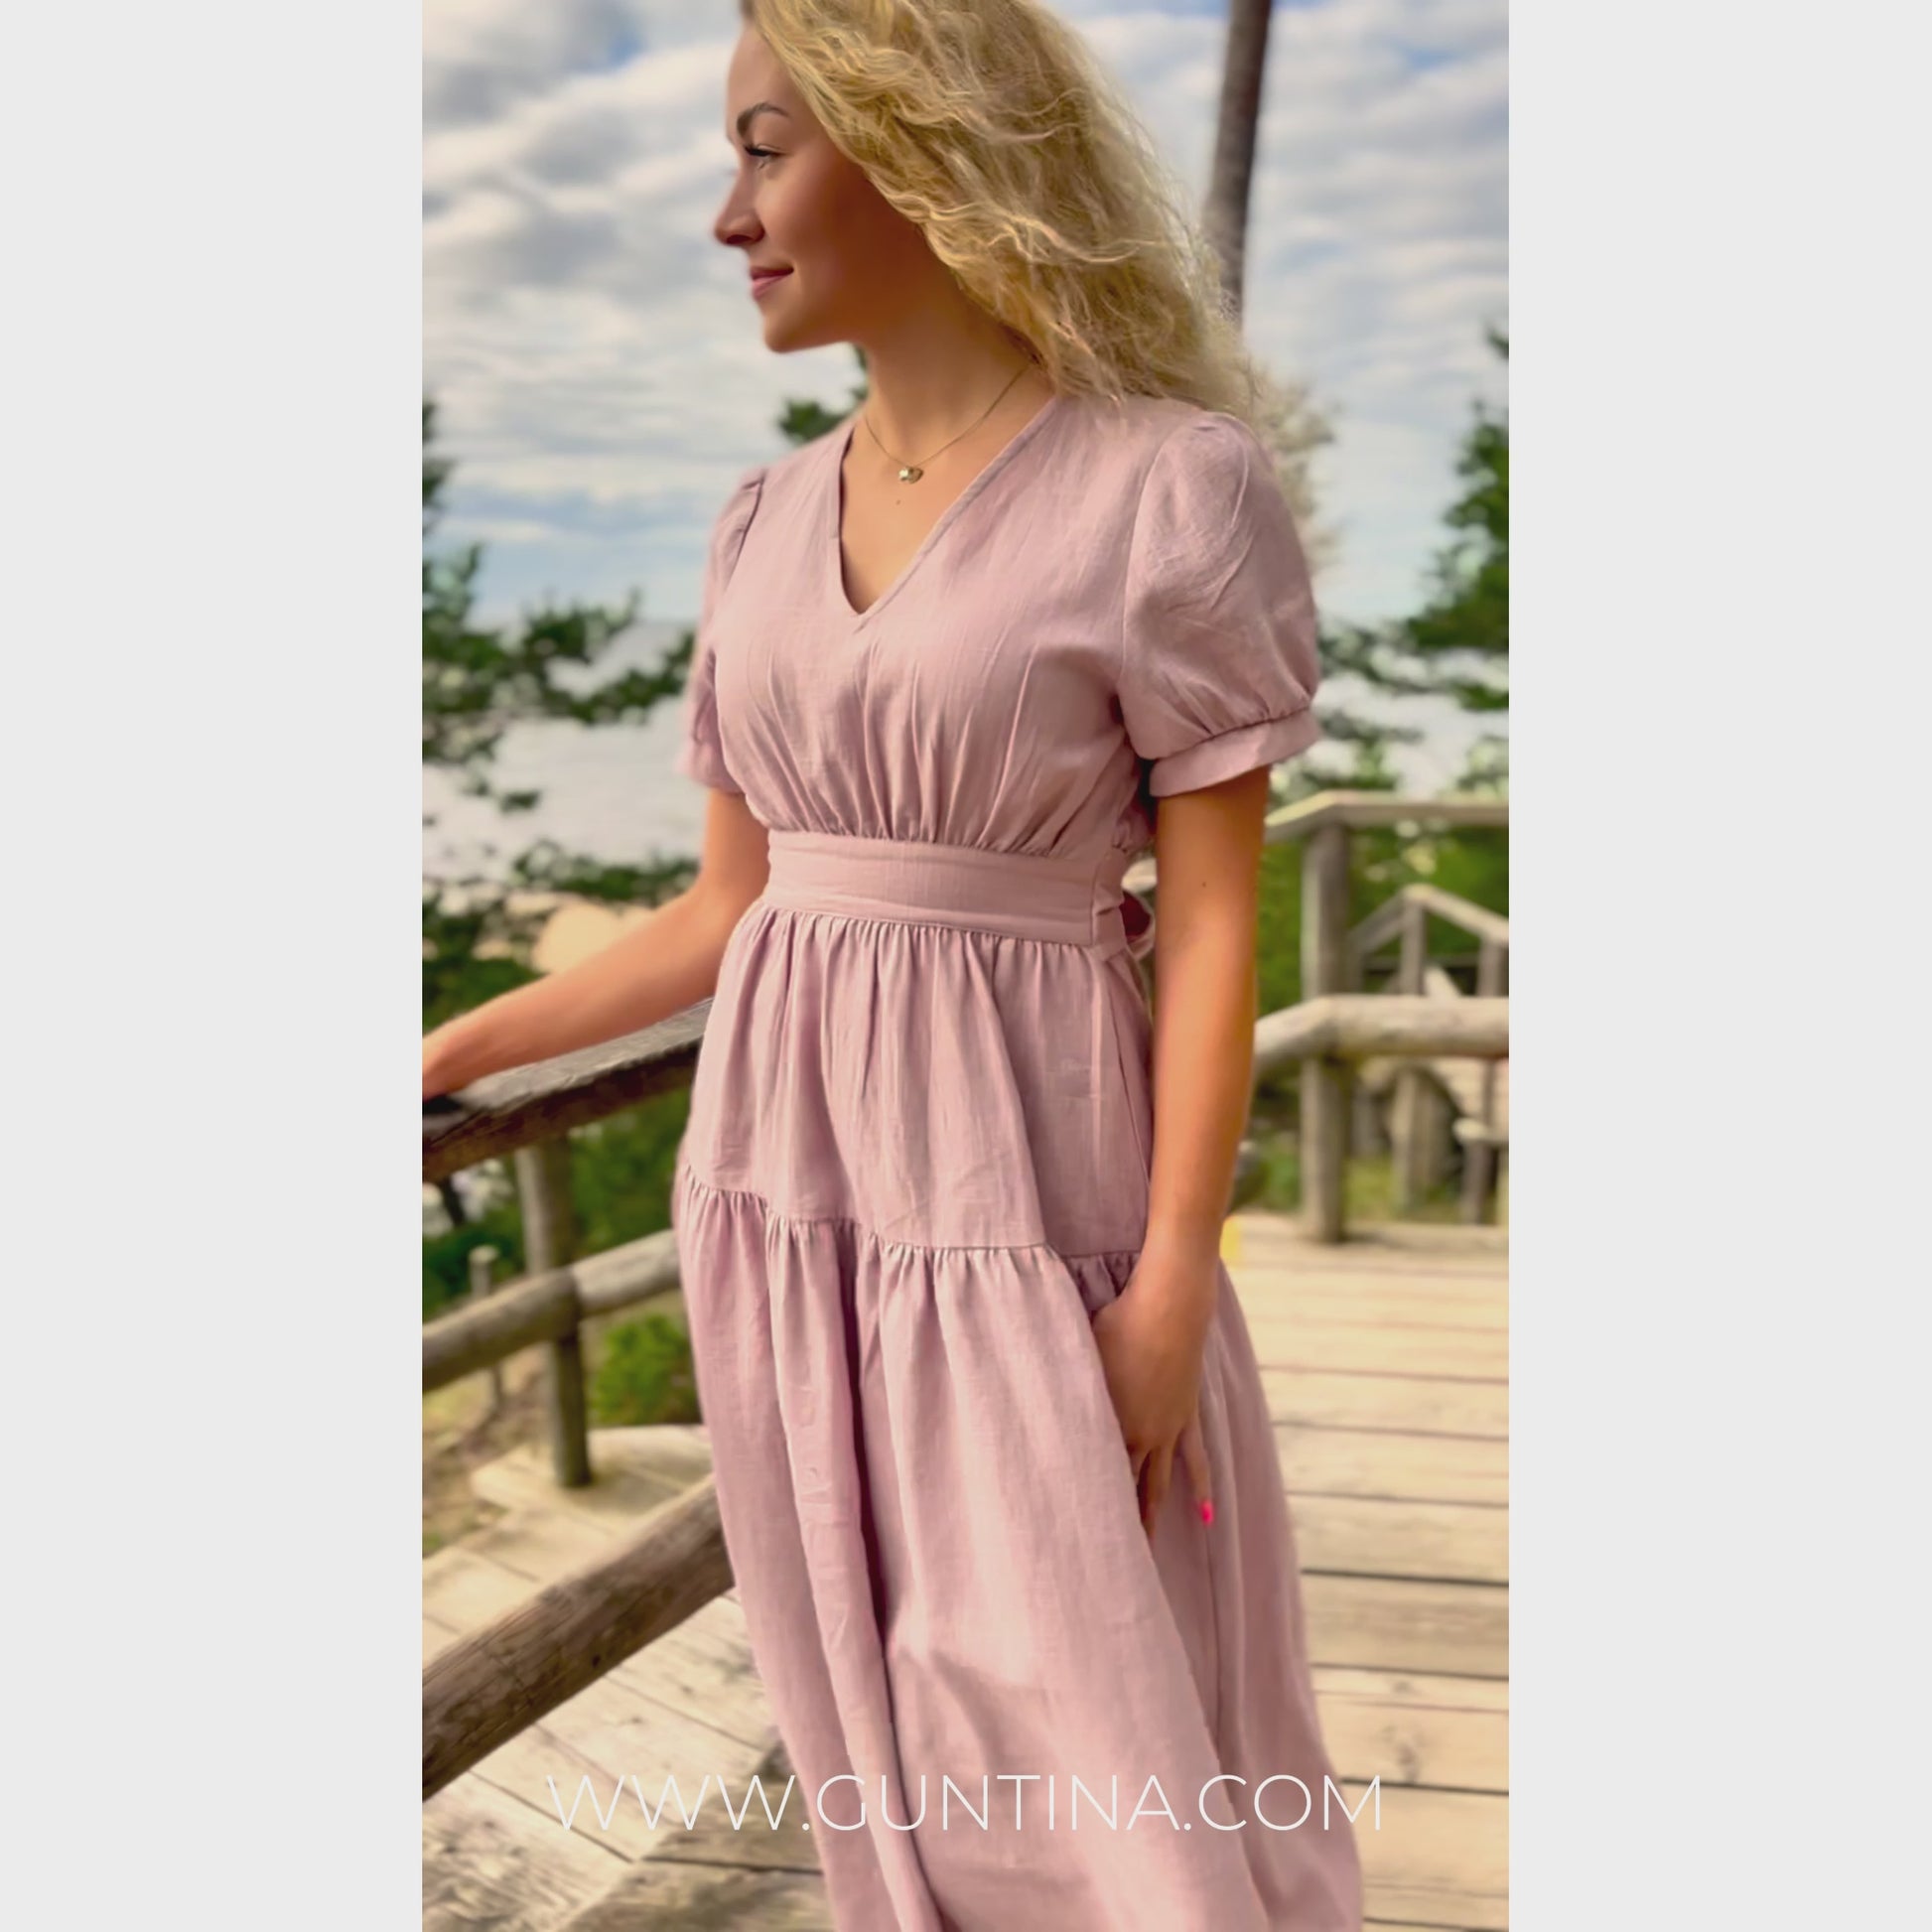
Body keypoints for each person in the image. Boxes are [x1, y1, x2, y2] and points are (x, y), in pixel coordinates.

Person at [424, 3, 1365, 1926]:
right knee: (885, 1734)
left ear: (924, 146)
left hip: (1033, 1209)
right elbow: (723, 911)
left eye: (765, 150)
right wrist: (445, 1056)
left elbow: (1210, 922)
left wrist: (1169, 1282)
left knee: (1089, 1721)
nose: (727, 215)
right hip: (788, 1212)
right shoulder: (760, 522)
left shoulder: (1166, 486)